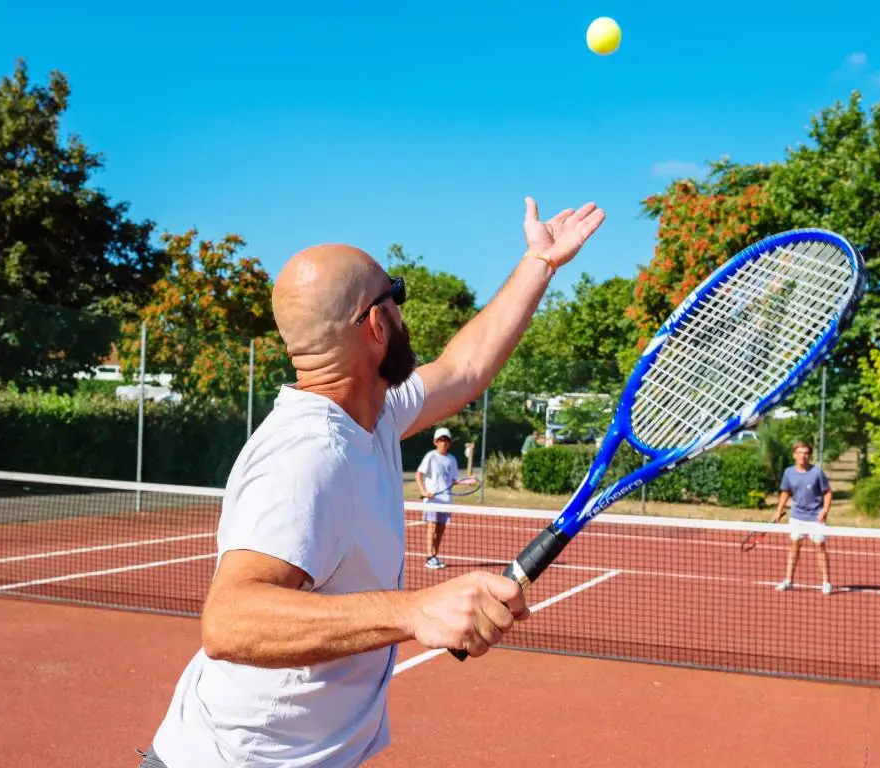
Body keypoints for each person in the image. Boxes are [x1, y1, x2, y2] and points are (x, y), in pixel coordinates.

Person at [137, 196, 606, 768]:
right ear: (377, 323)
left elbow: (464, 368)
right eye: (397, 294)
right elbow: (229, 619)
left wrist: (540, 263)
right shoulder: (306, 455)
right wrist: (414, 612)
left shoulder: (373, 411)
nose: (403, 311)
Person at [772, 440, 833, 595]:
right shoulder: (788, 472)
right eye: (800, 453)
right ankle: (788, 580)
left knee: (820, 547)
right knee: (794, 547)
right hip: (797, 516)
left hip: (815, 517)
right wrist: (778, 511)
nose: (803, 456)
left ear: (809, 455)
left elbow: (827, 492)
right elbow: (785, 492)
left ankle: (826, 582)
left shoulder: (817, 472)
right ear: (794, 455)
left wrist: (825, 510)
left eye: (806, 453)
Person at [414, 426, 474, 569]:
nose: (444, 443)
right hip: (432, 501)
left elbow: (453, 480)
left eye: (446, 440)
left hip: (446, 501)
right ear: (436, 442)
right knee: (432, 527)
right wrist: (424, 491)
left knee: (440, 530)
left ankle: (435, 555)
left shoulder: (451, 459)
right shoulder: (431, 456)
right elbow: (418, 474)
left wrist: (466, 481)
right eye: (441, 440)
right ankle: (429, 557)